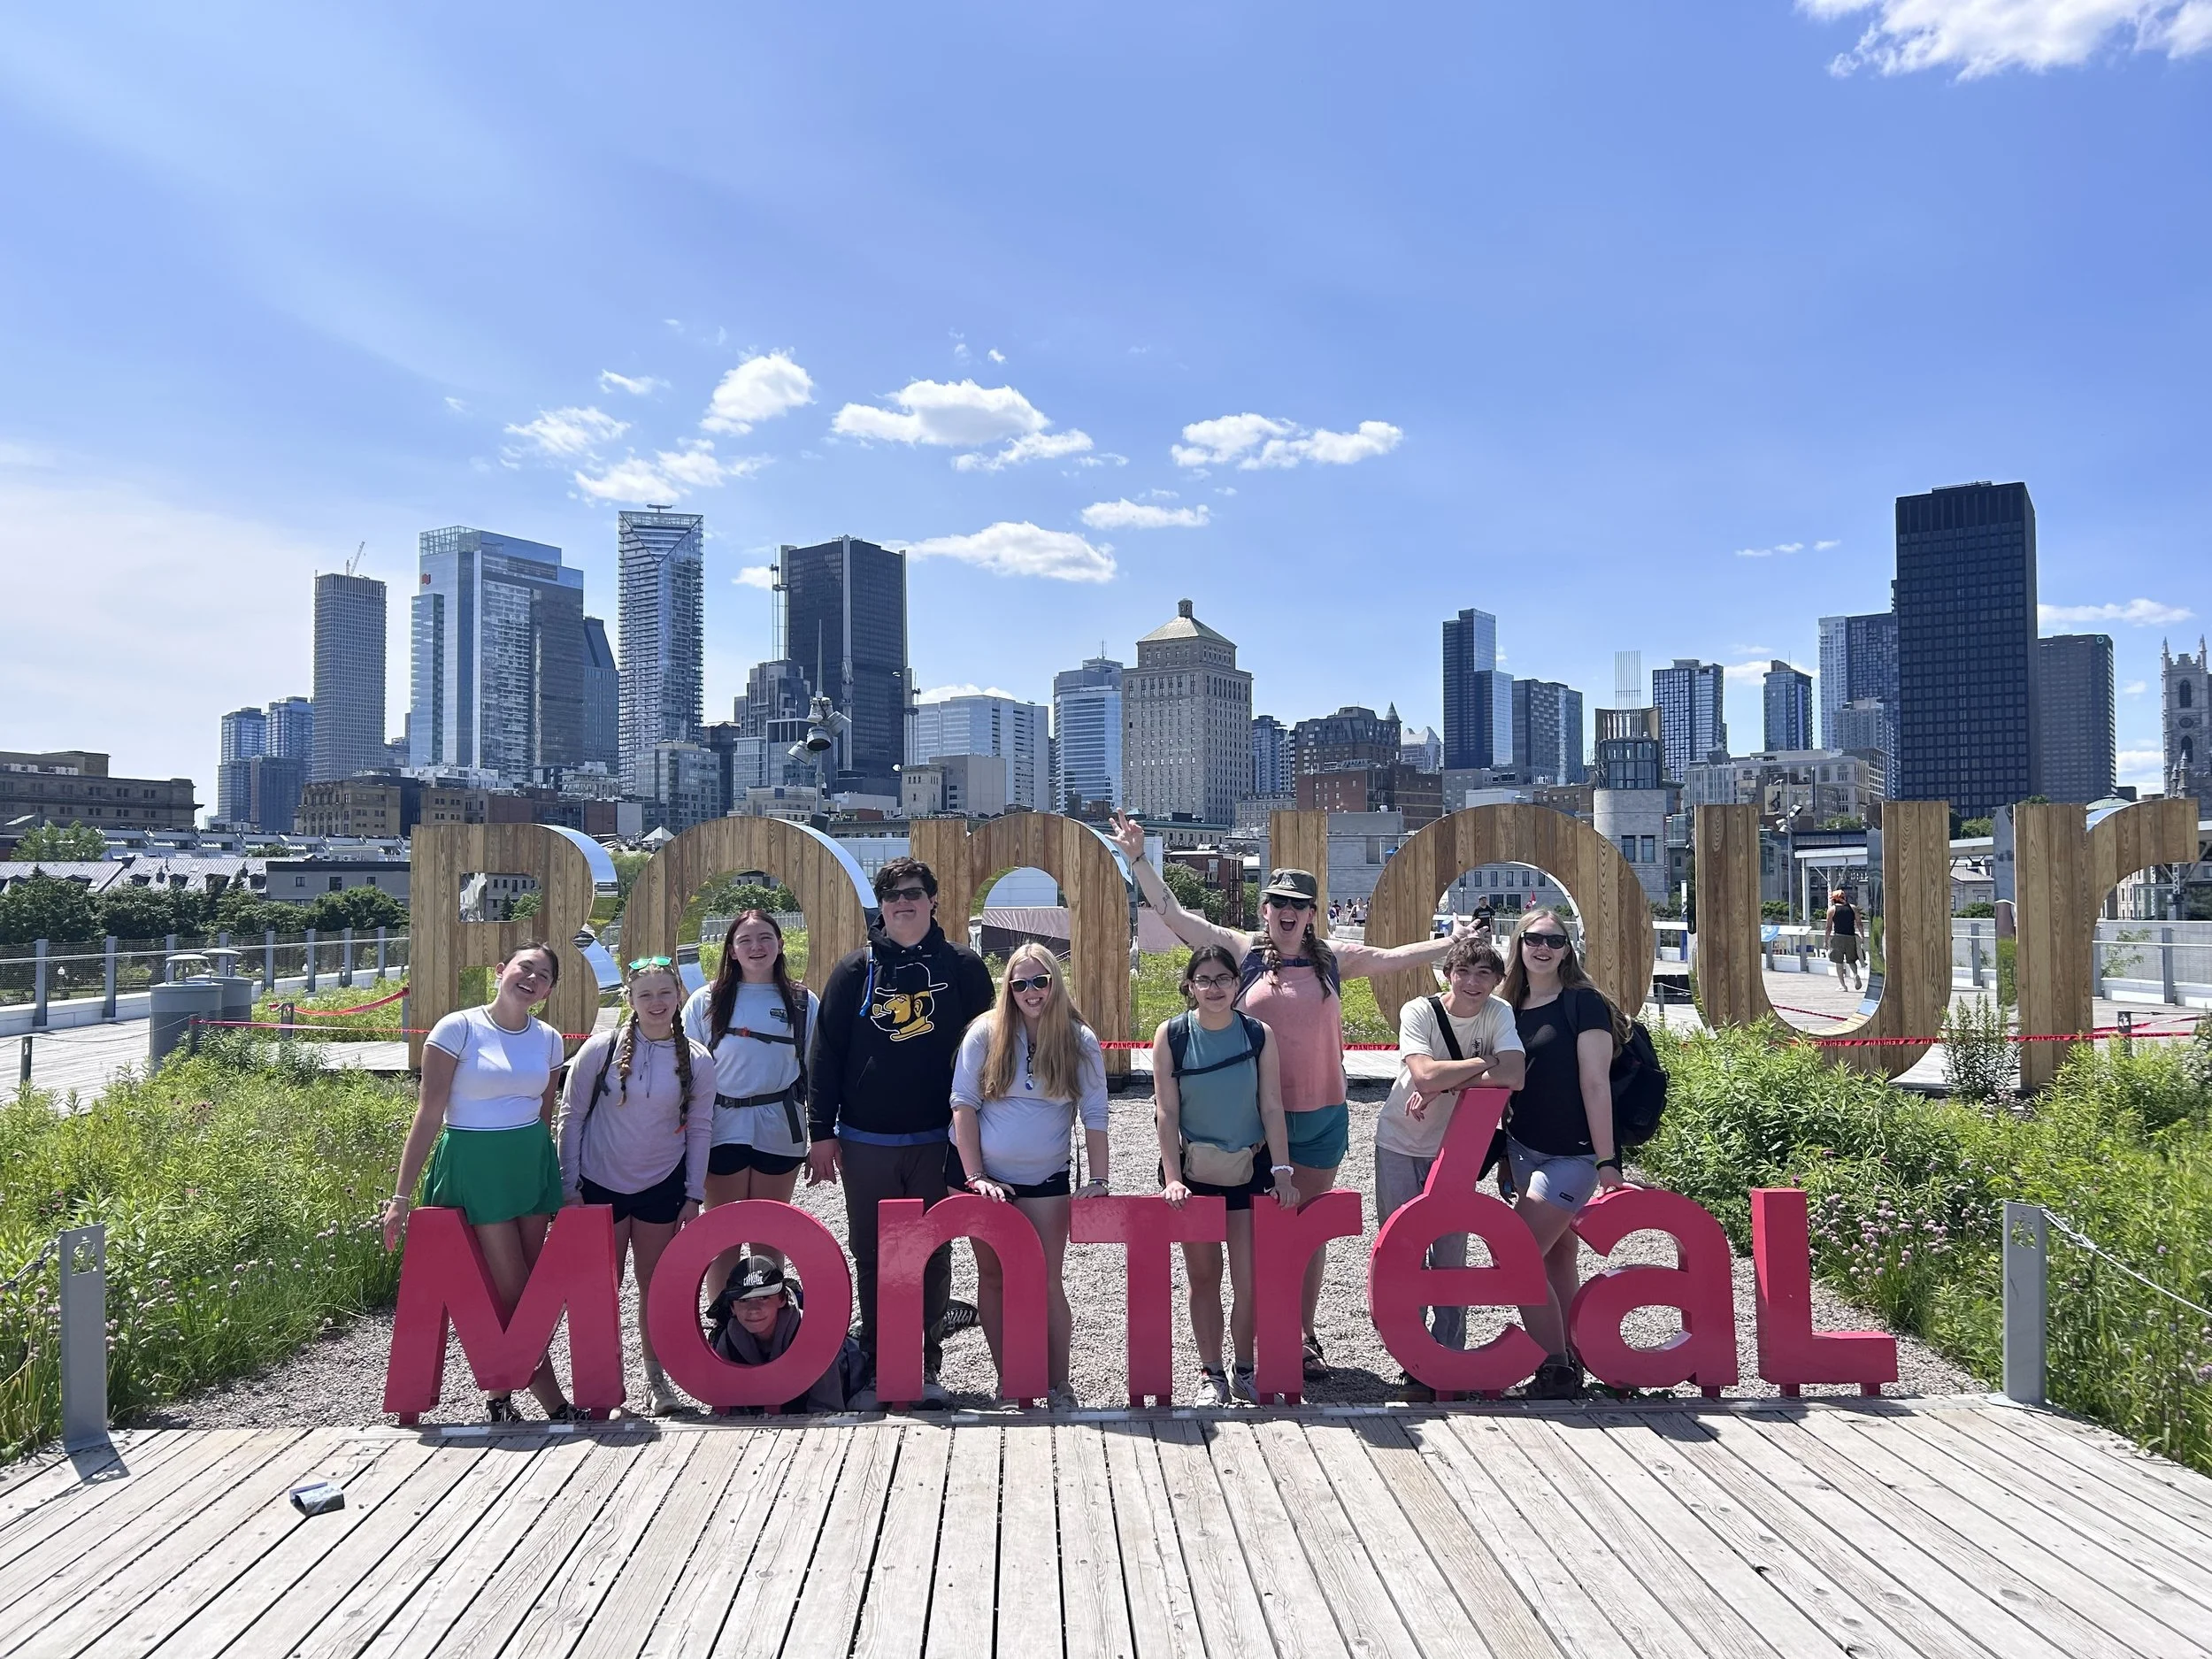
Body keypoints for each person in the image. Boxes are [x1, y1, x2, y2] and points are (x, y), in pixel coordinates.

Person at [1110, 812, 1471, 1381]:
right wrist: (1136, 859)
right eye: (1278, 902)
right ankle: (1260, 1340)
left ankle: (1302, 1336)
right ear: (1264, 909)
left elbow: (1392, 957)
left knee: (1308, 1231)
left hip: (1323, 1115)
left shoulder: (1330, 959)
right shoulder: (1242, 952)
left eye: (1298, 905)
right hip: (1260, 1121)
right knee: (1260, 1234)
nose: (1287, 911)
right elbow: (1176, 916)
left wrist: (1451, 943)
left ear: (1311, 913)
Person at [805, 857, 995, 1406]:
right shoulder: (853, 970)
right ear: (881, 906)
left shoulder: (963, 966)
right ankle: (879, 1363)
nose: (902, 903)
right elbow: (825, 1055)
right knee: (872, 1253)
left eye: (913, 893)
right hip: (866, 1139)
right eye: (892, 895)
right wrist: (821, 1130)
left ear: (933, 901)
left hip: (940, 1136)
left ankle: (926, 1363)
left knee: (933, 1252)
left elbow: (992, 1051)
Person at [384, 941, 582, 1421]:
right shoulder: (458, 1028)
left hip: (529, 1166)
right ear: (500, 970)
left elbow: (544, 1113)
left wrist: (554, 1176)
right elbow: (428, 1114)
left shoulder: (549, 1040)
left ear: (549, 991)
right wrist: (400, 1196)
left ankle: (499, 1396)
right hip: (476, 1166)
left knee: (530, 1288)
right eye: (524, 968)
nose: (531, 979)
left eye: (544, 976)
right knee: (516, 1289)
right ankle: (554, 1402)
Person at [949, 943, 1110, 1407]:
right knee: (993, 1276)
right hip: (986, 1179)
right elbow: (963, 1104)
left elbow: (1095, 1113)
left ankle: (1060, 1385)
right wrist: (976, 1175)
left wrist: (1099, 1179)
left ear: (1055, 983)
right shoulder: (985, 1032)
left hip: (1047, 1178)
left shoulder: (1079, 1039)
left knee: (1046, 1279)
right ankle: (1010, 1380)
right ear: (1009, 989)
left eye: (1040, 981)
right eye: (1020, 984)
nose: (1031, 991)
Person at [559, 956, 716, 1416]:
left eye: (665, 992)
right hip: (598, 1184)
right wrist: (569, 1186)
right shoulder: (600, 1049)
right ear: (629, 999)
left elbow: (700, 1128)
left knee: (656, 1286)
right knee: (601, 1289)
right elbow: (570, 1118)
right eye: (645, 994)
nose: (656, 1002)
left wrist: (694, 1193)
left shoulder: (698, 1060)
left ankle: (656, 1382)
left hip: (660, 1185)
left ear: (679, 996)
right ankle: (602, 1387)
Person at [1376, 936, 1526, 1398]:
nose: (1472, 983)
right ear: (1447, 975)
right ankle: (1413, 1358)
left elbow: (1515, 1075)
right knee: (1402, 1252)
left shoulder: (1498, 1012)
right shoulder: (1419, 1011)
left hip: (1457, 1147)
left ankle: (1448, 1359)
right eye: (1463, 972)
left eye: (1484, 974)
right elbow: (1422, 1075)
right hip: (1400, 1141)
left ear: (1497, 980)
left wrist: (1445, 1082)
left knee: (1451, 1255)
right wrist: (1485, 1062)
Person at [1155, 944, 1296, 1404]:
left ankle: (1245, 1369)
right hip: (1194, 1172)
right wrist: (1173, 1178)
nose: (1214, 988)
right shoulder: (1172, 1035)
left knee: (1248, 1280)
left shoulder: (1258, 1035)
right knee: (1203, 1277)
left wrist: (1282, 1171)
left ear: (1237, 983)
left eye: (1222, 979)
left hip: (1249, 1170)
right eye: (1204, 979)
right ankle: (1211, 1373)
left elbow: (1271, 1106)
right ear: (1190, 986)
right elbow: (1166, 1112)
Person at [1498, 907, 1631, 1400]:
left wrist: (1606, 1161)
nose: (1543, 948)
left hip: (1572, 1156)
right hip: (1523, 1149)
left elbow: (1595, 1084)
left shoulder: (1583, 1003)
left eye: (1555, 941)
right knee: (1556, 1258)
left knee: (1517, 1255)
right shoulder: (1506, 1006)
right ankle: (1579, 1356)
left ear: (1567, 949)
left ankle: (1554, 1366)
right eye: (1534, 938)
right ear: (1518, 943)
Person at [683, 910, 821, 1293]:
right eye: (745, 940)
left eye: (765, 938)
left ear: (780, 945)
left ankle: (769, 1315)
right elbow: (686, 1071)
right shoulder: (706, 1000)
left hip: (780, 1125)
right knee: (723, 1236)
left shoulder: (802, 1001)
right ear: (731, 950)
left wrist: (826, 1133)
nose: (756, 947)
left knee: (769, 1234)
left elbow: (817, 1070)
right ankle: (723, 1318)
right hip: (720, 1126)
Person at [708, 1254, 871, 1414]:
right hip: (786, 1404)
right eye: (743, 1300)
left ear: (782, 1299)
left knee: (866, 1406)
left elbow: (827, 1409)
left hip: (856, 1377)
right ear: (732, 1308)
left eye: (764, 1298)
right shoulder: (729, 1342)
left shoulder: (811, 1336)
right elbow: (726, 1409)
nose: (754, 1309)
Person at [1824, 888, 1863, 993]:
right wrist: (1862, 935)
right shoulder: (1853, 908)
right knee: (1851, 960)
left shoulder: (1832, 910)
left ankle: (1843, 985)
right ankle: (1855, 975)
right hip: (1851, 937)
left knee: (1839, 962)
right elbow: (1859, 923)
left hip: (1838, 937)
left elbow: (1828, 927)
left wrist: (1826, 940)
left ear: (1834, 899)